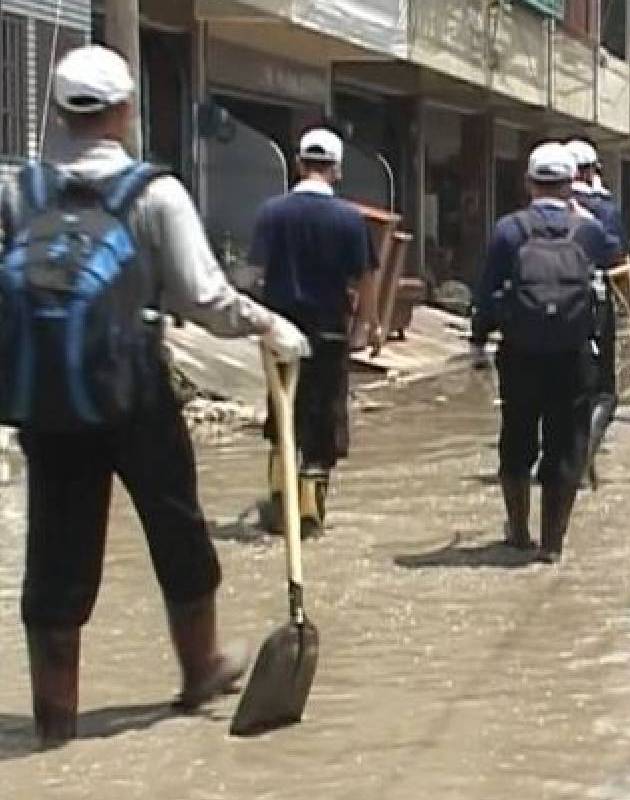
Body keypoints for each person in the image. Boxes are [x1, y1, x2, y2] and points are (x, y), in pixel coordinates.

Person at [0, 45, 309, 748]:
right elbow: (205, 298)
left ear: (55, 112)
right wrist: (269, 326)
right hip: (135, 384)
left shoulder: (18, 192)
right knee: (176, 527)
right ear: (126, 110)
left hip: (46, 398)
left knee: (54, 552)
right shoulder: (154, 193)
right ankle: (200, 669)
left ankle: (53, 726)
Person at [470, 142, 614, 564]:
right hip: (573, 355)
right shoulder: (589, 231)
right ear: (573, 184)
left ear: (529, 182)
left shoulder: (508, 230)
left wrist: (478, 341)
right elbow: (606, 282)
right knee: (566, 446)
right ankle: (552, 545)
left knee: (516, 440)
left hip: (520, 354)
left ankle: (517, 532)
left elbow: (487, 292)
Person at [249, 128, 379, 540]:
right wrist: (367, 326)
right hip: (329, 333)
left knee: (283, 410)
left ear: (299, 163)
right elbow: (366, 279)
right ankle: (308, 516)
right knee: (323, 419)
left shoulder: (271, 212)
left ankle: (277, 501)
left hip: (279, 330)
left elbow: (254, 274)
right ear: (337, 169)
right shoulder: (350, 218)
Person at [565, 139, 630, 488]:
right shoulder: (605, 212)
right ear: (590, 171)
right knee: (604, 393)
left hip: (543, 313)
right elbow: (620, 266)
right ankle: (583, 458)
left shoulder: (533, 210)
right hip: (593, 308)